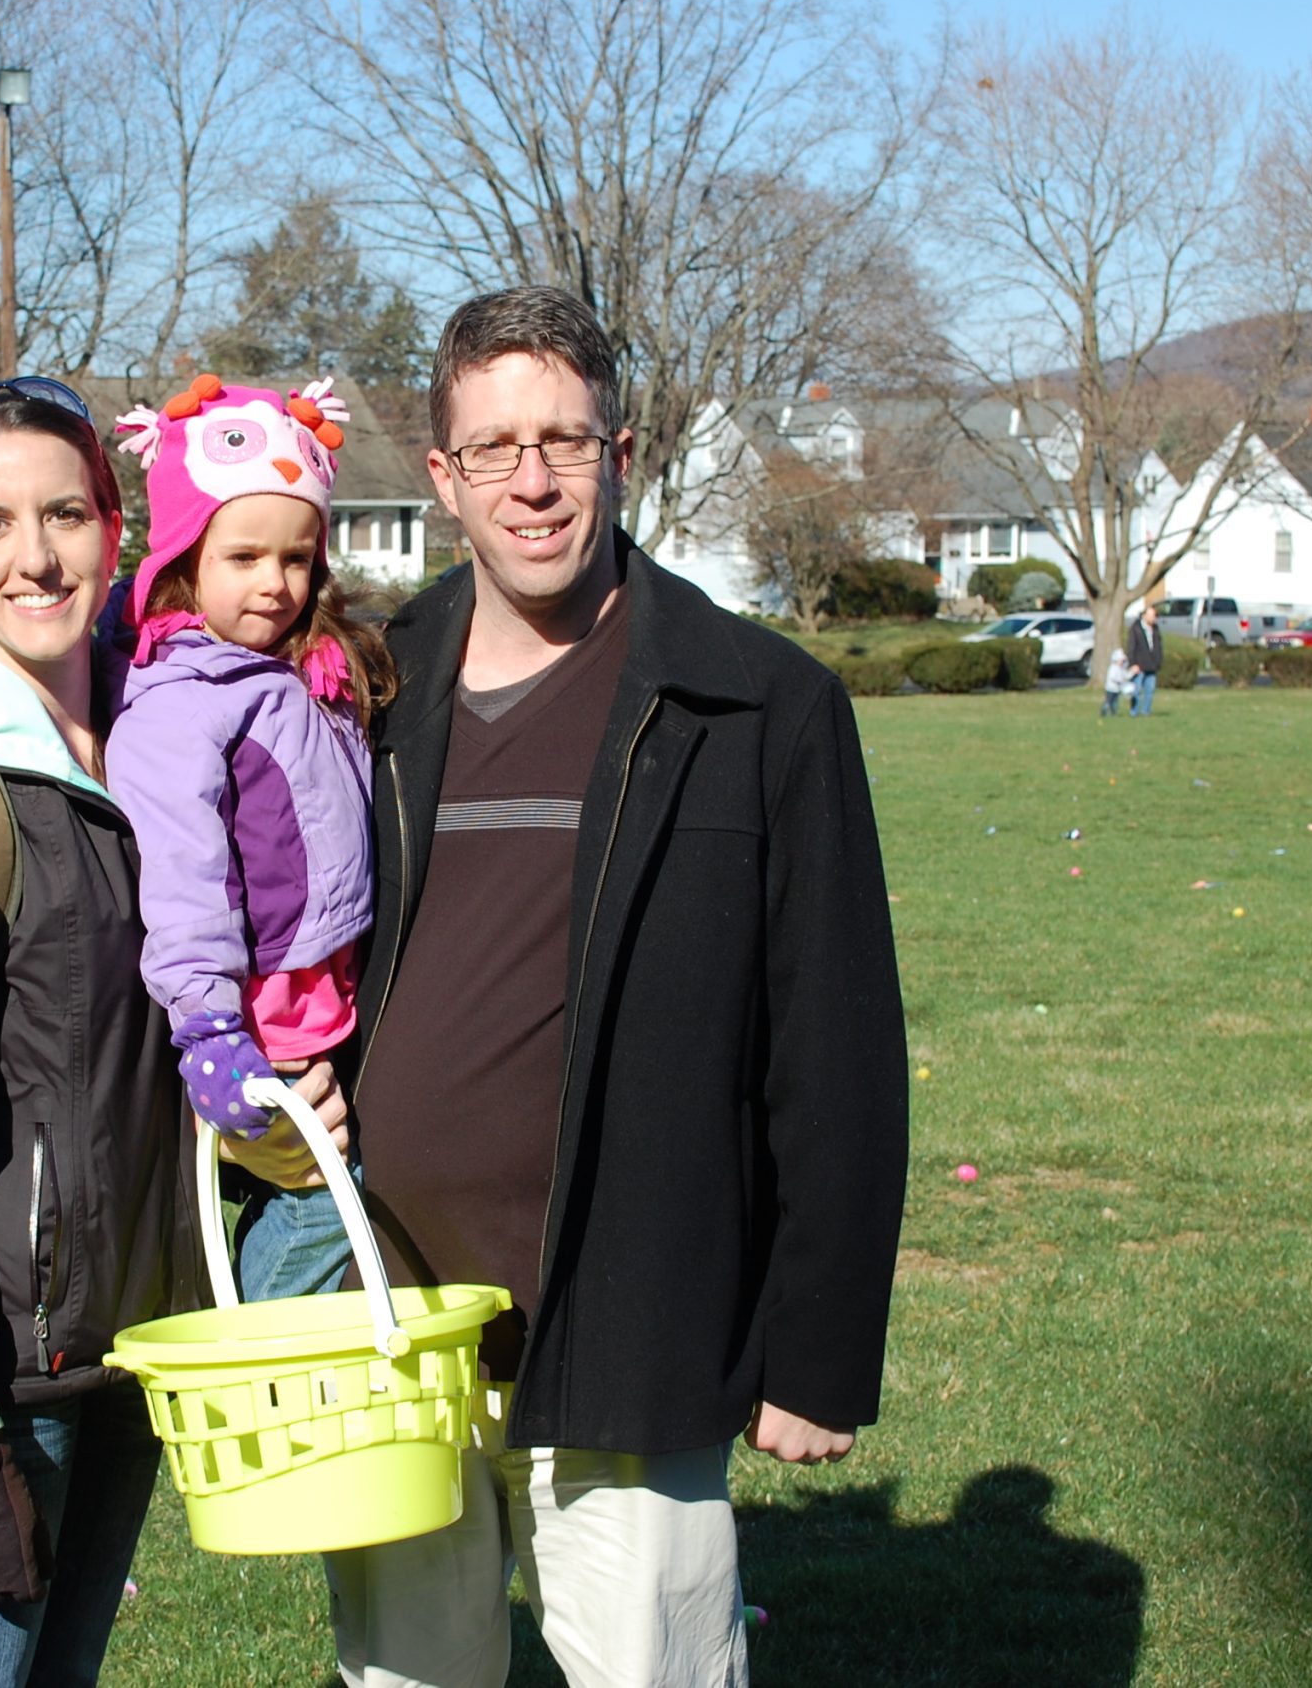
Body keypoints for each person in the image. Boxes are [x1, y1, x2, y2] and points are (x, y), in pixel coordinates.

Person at [328, 286, 908, 1688]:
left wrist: (817, 1349)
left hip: (637, 1310)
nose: (534, 481)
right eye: (498, 447)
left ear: (624, 454)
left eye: (568, 442)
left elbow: (835, 1048)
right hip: (396, 1317)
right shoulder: (365, 688)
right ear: (445, 475)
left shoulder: (757, 703)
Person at [0, 378, 347, 1688]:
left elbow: (165, 1030)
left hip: (133, 1347)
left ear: (121, 527)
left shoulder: (173, 729)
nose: (35, 555)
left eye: (64, 512)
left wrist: (267, 1128)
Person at [106, 373, 393, 1302]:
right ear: (189, 556)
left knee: (319, 1180)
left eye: (297, 557)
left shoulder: (297, 668)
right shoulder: (180, 704)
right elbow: (184, 878)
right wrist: (209, 1029)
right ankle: (255, 1349)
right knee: (320, 1190)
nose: (276, 582)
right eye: (244, 557)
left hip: (319, 992)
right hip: (256, 1014)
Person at [1126, 599, 1163, 717]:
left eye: (1154, 616)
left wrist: (1158, 661)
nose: (1153, 618)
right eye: (1151, 616)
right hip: (1139, 665)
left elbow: (1158, 646)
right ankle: (1134, 712)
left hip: (1152, 665)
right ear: (1144, 616)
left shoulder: (1155, 629)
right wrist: (1133, 664)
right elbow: (1131, 647)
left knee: (1149, 690)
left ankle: (1146, 711)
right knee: (1136, 691)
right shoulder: (1136, 629)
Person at [1100, 645, 1132, 717]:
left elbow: (1126, 676)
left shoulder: (1121, 669)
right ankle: (1104, 711)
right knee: (1108, 701)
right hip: (1111, 688)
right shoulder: (1113, 667)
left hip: (1117, 689)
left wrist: (1132, 672)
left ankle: (1114, 713)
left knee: (1115, 702)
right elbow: (1112, 677)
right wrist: (1120, 681)